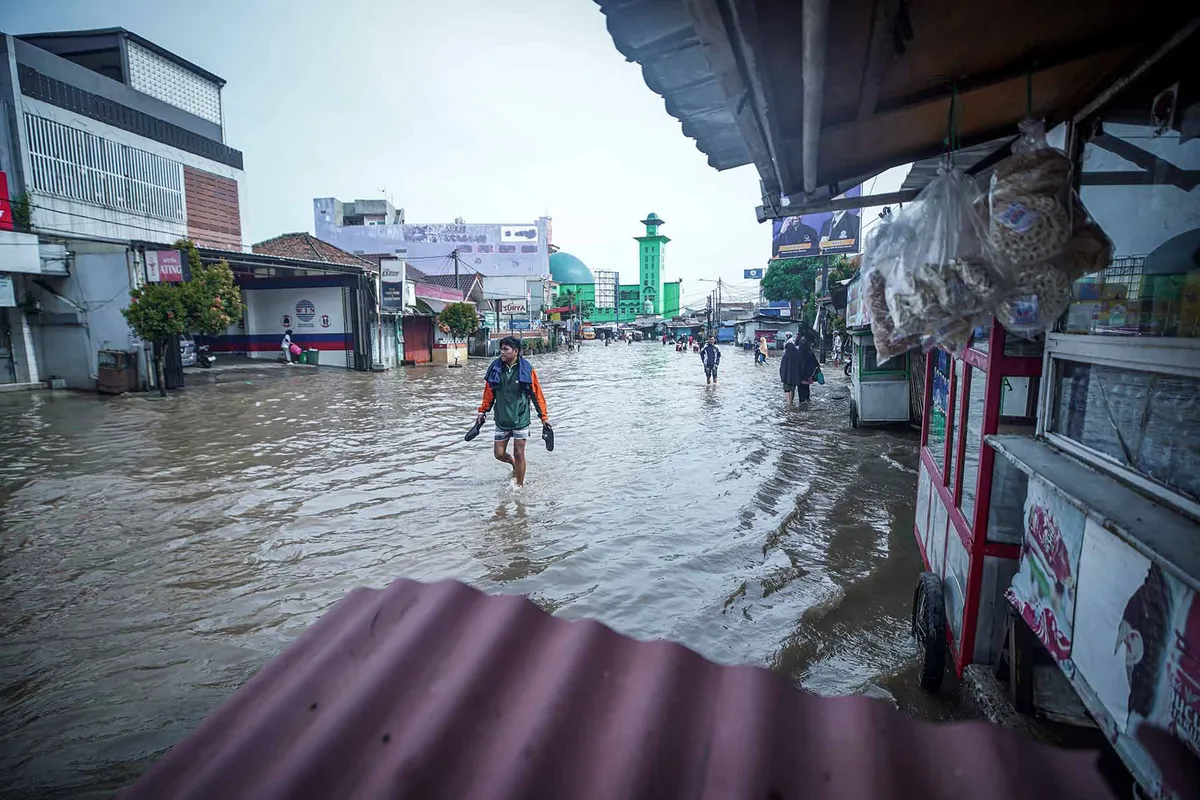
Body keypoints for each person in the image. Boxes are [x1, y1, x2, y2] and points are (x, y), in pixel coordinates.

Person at [475, 337, 550, 486]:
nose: (501, 352)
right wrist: (482, 411)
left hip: (521, 418)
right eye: (501, 349)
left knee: (519, 452)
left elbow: (536, 394)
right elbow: (488, 393)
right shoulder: (495, 368)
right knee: (499, 454)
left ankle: (519, 486)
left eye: (505, 349)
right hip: (502, 418)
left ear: (515, 351)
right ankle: (513, 463)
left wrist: (544, 417)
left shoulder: (527, 369)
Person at [780, 334, 819, 405]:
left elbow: (795, 364)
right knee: (806, 388)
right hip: (808, 374)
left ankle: (800, 402)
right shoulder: (810, 352)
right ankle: (807, 400)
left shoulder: (797, 353)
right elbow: (815, 363)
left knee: (800, 389)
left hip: (800, 375)